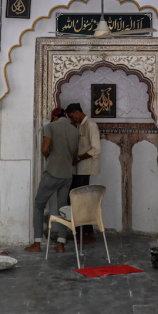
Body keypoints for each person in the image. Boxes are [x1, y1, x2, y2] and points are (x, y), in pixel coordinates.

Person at [25, 107, 78, 253]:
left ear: (54, 117)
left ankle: (37, 243)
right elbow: (75, 156)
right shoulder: (74, 130)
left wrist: (48, 157)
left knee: (39, 205)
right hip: (67, 175)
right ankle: (60, 244)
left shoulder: (51, 126)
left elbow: (44, 148)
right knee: (63, 209)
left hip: (52, 173)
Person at [65, 103, 101, 241]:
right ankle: (80, 232)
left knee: (82, 201)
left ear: (77, 112)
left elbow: (96, 149)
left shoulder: (90, 125)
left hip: (85, 169)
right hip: (78, 169)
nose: (71, 119)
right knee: (74, 199)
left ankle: (87, 233)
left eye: (71, 116)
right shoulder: (80, 125)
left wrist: (79, 158)